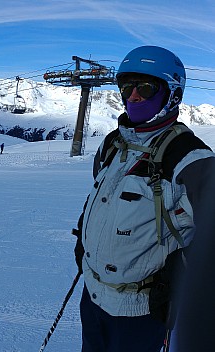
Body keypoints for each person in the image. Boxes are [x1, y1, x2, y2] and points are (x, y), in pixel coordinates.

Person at [72, 46, 215, 352]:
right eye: (126, 87)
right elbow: (101, 199)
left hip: (142, 312)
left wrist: (183, 277)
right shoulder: (112, 144)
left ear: (172, 95)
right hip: (93, 298)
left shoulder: (190, 160)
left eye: (146, 88)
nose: (133, 97)